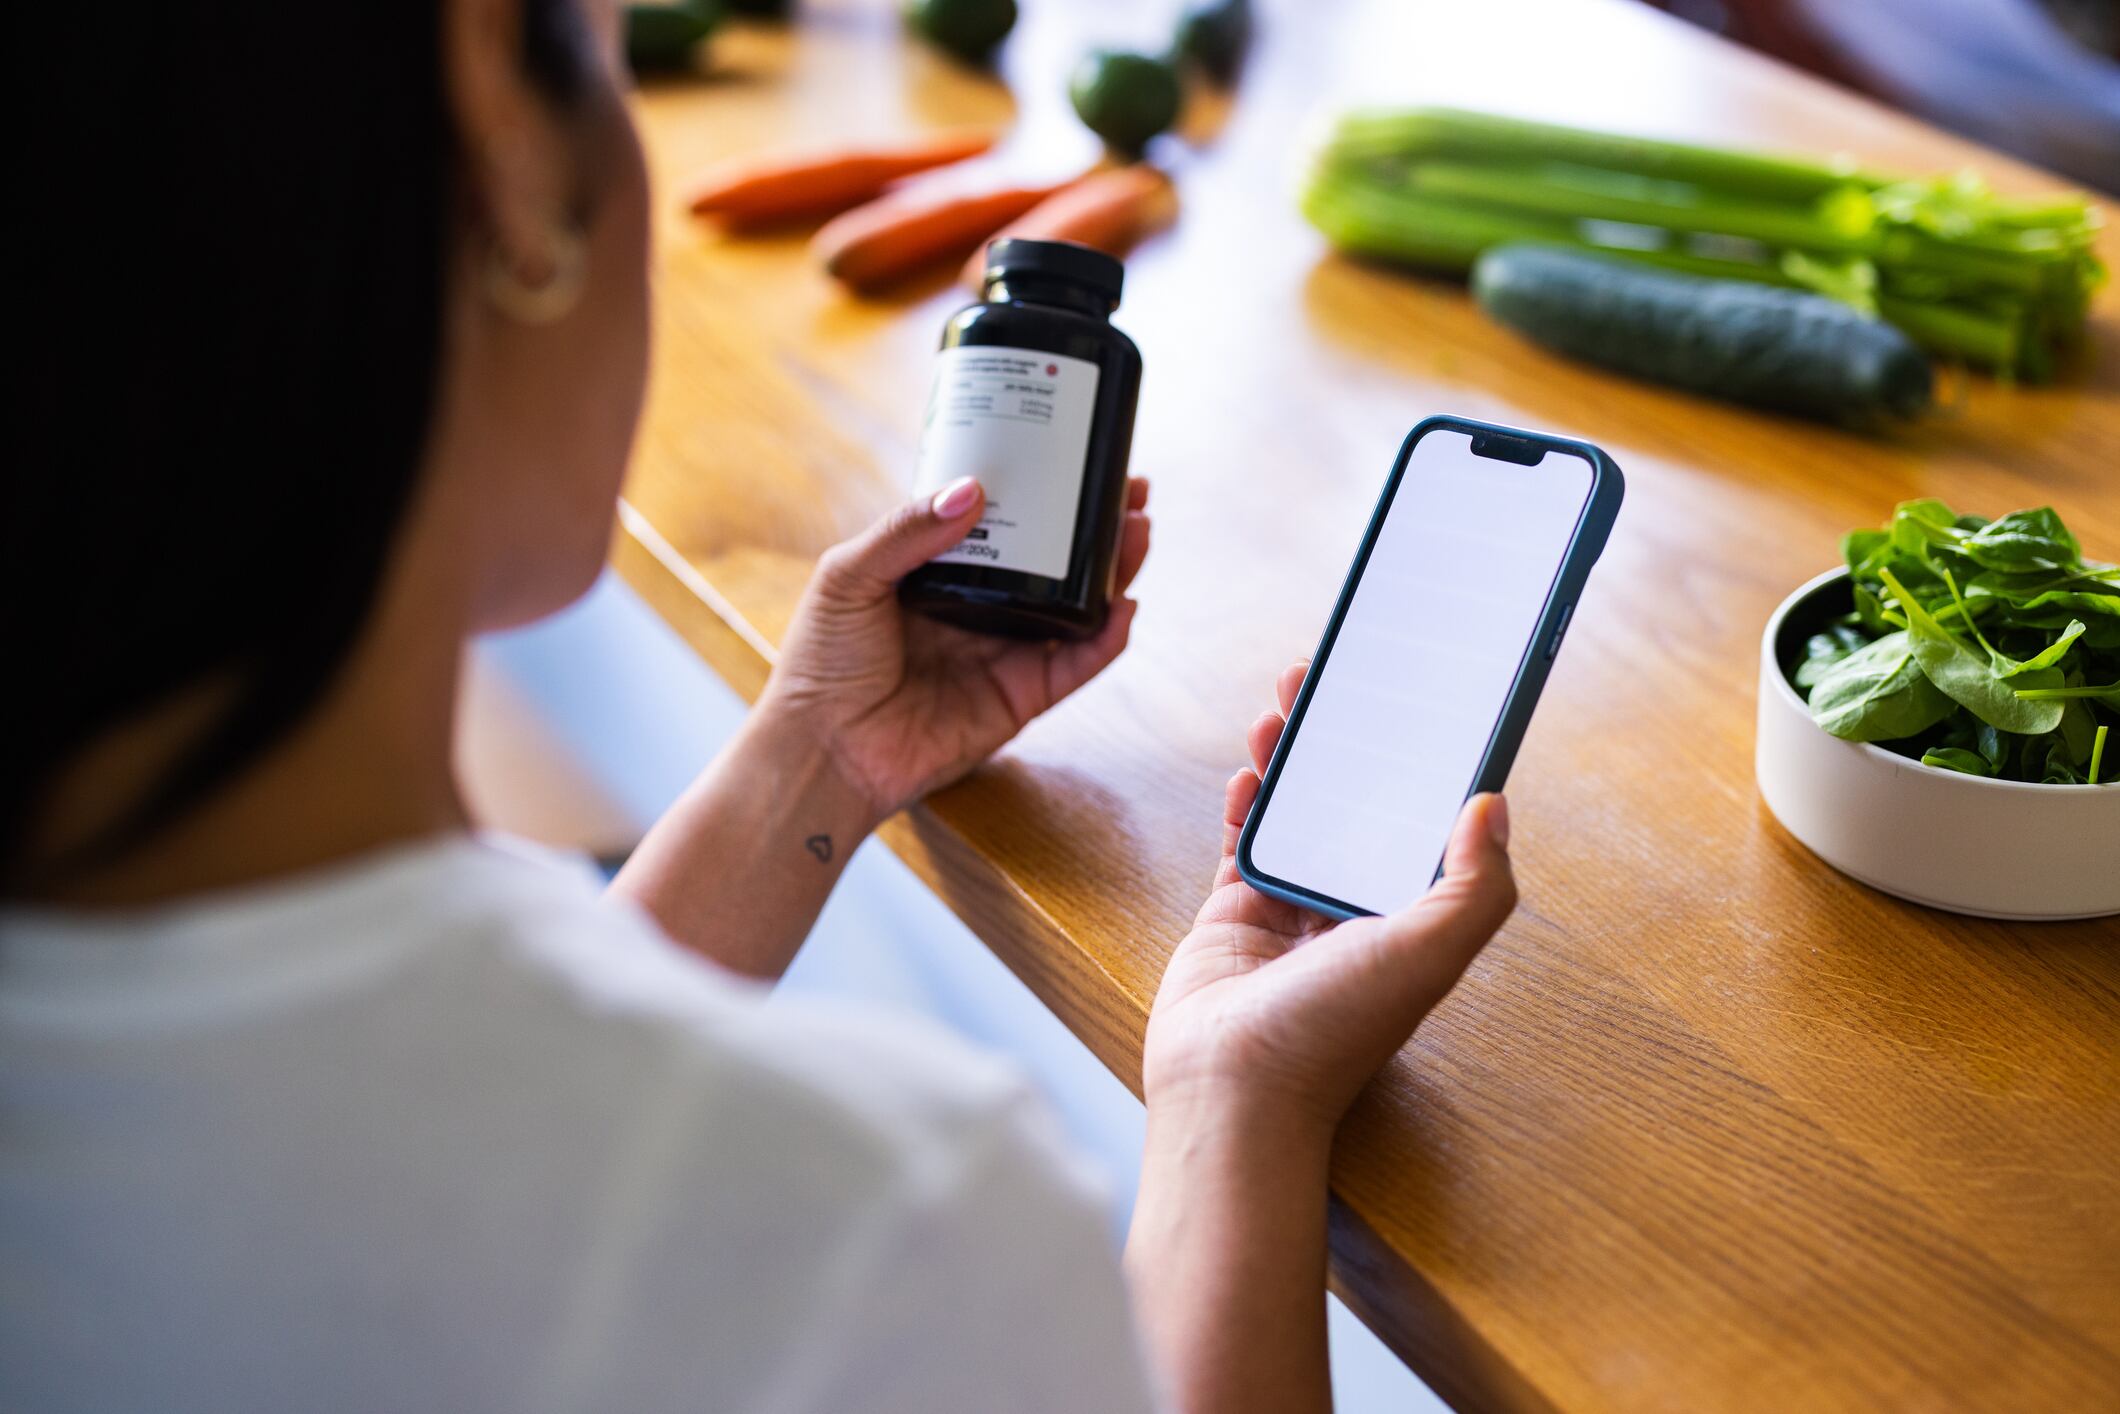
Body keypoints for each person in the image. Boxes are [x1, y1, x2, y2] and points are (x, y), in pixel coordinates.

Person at [0, 1, 1517, 1410]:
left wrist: (822, 756)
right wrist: (1231, 1100)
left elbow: (413, 1129)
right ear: (504, 140)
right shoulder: (868, 1224)